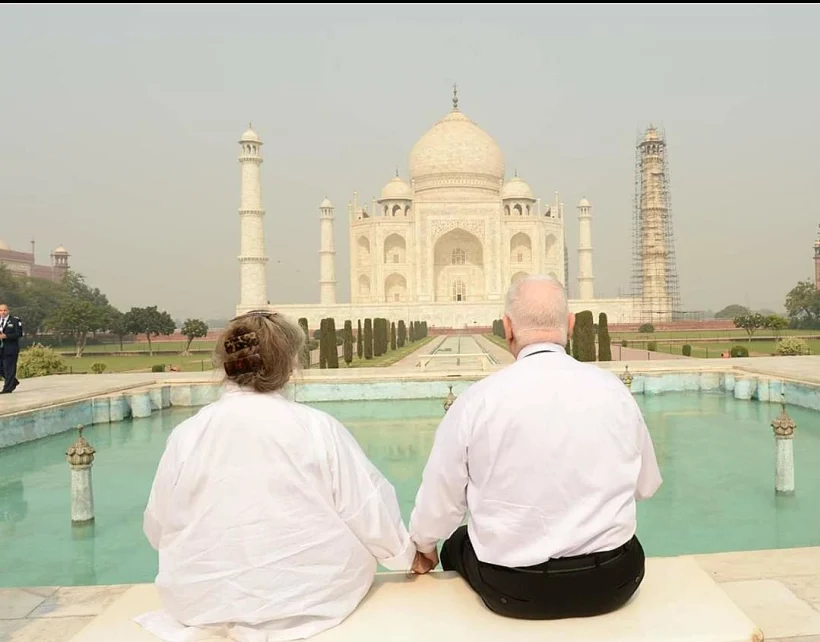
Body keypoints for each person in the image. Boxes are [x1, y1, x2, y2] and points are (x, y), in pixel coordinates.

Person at [137, 310, 425, 642]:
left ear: (226, 363)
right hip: (311, 599)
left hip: (201, 603)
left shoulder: (188, 434)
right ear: (288, 365)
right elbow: (367, 511)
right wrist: (409, 557)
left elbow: (157, 528)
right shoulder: (316, 428)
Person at [408, 275, 662, 620]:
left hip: (513, 590)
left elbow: (441, 499)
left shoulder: (477, 401)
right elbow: (645, 486)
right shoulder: (614, 391)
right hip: (616, 581)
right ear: (570, 325)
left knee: (457, 543)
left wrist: (424, 545)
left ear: (507, 327)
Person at [0, 304, 23, 394]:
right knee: (1, 368)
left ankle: (7, 388)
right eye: (1, 310)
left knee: (9, 368)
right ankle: (13, 381)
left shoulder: (15, 321)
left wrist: (6, 336)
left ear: (8, 311)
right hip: (1, 349)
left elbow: (19, 334)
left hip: (10, 349)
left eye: (4, 310)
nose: (3, 312)